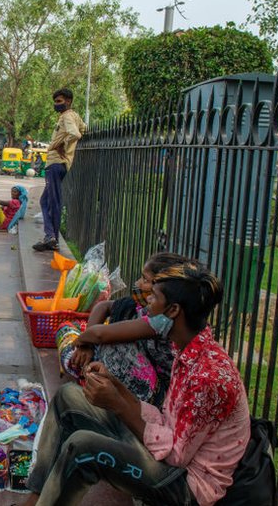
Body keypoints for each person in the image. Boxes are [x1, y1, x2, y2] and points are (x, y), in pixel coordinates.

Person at [19, 261, 250, 506]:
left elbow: (176, 455)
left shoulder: (210, 377)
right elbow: (164, 420)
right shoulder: (188, 349)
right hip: (167, 448)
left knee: (83, 447)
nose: (148, 299)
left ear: (173, 310)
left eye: (155, 296)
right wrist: (116, 387)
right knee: (68, 397)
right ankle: (35, 498)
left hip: (187, 484)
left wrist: (118, 404)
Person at [65, 252, 189, 407]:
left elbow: (99, 335)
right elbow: (104, 306)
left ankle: (94, 378)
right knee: (70, 329)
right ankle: (87, 367)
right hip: (146, 374)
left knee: (114, 344)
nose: (138, 284)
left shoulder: (161, 321)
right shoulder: (148, 308)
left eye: (145, 280)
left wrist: (82, 340)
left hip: (159, 396)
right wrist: (86, 346)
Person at [33, 88, 86, 252]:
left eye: (59, 101)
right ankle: (51, 238)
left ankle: (51, 237)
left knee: (52, 202)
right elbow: (83, 129)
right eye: (55, 102)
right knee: (46, 201)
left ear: (68, 101)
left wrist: (61, 144)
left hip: (56, 163)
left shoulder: (67, 116)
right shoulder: (74, 116)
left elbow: (76, 134)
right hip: (60, 165)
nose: (56, 105)